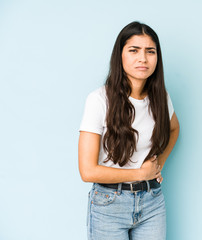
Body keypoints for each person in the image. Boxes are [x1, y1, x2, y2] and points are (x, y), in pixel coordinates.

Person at [78, 21, 180, 240]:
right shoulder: (99, 100)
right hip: (109, 204)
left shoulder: (161, 97)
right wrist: (139, 174)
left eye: (150, 51)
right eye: (134, 50)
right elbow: (88, 171)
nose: (142, 58)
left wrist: (157, 163)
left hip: (152, 200)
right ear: (120, 55)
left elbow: (174, 129)